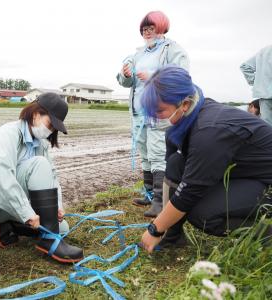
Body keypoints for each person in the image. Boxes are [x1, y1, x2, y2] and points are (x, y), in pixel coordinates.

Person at [138, 66, 272, 253]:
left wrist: (155, 228)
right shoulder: (190, 115)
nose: (155, 117)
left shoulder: (209, 131)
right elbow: (176, 169)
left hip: (266, 183)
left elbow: (190, 191)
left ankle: (268, 235)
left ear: (184, 104)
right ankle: (172, 237)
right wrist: (164, 224)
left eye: (159, 111)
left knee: (201, 214)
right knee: (177, 163)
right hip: (245, 173)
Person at [0, 92, 84, 264]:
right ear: (36, 114)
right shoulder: (8, 133)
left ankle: (9, 226)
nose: (50, 131)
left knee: (62, 227)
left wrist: (56, 207)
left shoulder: (41, 143)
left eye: (54, 128)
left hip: (12, 200)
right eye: (50, 124)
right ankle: (49, 242)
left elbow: (52, 177)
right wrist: (26, 212)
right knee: (39, 164)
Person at [116, 10, 189, 218]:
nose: (147, 32)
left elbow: (181, 75)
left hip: (159, 111)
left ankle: (160, 201)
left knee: (158, 153)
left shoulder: (172, 49)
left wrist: (154, 76)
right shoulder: (138, 53)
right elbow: (127, 82)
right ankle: (149, 193)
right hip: (138, 112)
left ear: (161, 28)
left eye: (151, 28)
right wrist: (125, 75)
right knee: (145, 153)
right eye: (144, 29)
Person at [240, 45, 272, 125]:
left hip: (265, 95)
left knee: (267, 127)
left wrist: (259, 83)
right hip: (265, 95)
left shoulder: (264, 51)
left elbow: (245, 66)